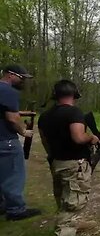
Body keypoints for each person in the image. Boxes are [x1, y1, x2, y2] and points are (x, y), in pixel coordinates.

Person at [38, 79, 99, 236]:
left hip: (57, 162)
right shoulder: (74, 112)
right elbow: (78, 137)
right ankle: (66, 229)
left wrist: (53, 156)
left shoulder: (44, 116)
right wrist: (91, 138)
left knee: (64, 198)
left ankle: (74, 222)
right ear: (74, 94)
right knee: (73, 202)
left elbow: (45, 141)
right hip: (74, 163)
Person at [0, 64, 41, 221]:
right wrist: (23, 132)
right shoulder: (8, 91)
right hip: (6, 140)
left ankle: (2, 205)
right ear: (10, 75)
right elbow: (11, 118)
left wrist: (24, 112)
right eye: (21, 77)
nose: (23, 80)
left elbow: (3, 111)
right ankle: (16, 210)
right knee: (14, 174)